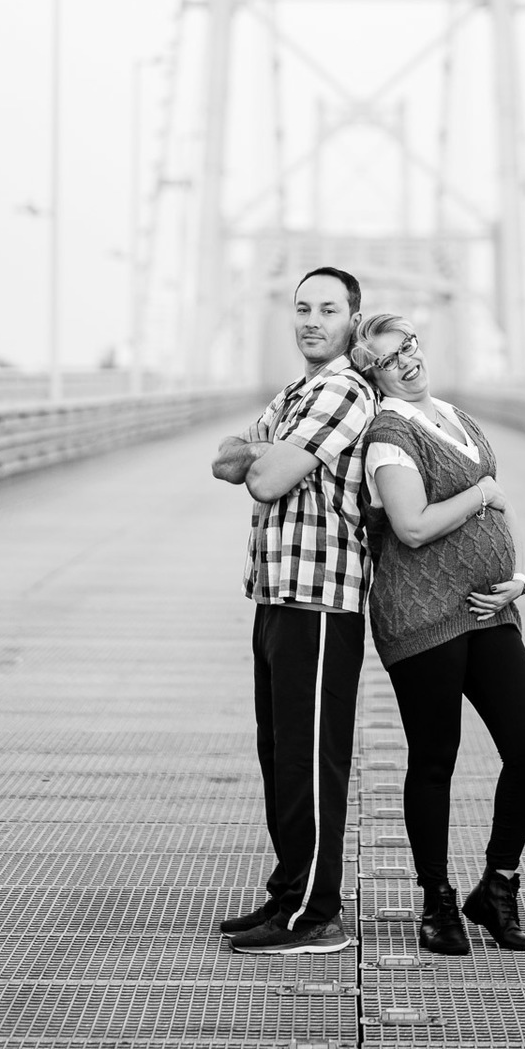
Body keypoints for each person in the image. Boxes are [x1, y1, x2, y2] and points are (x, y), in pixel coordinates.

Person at [351, 311, 525, 956]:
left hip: (489, 610)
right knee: (434, 759)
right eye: (389, 358)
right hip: (422, 615)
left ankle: (497, 887)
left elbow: (500, 509)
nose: (408, 361)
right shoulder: (388, 434)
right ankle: (437, 905)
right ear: (373, 375)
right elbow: (410, 526)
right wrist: (483, 491)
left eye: (409, 346)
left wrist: (518, 578)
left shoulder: (454, 414)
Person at [211, 266, 377, 954]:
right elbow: (227, 463)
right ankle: (289, 893)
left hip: (320, 598)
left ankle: (317, 914)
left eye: (328, 309)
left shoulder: (342, 389)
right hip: (276, 591)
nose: (312, 319)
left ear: (351, 319)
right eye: (303, 307)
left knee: (311, 760)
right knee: (280, 755)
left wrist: (266, 456)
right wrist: (262, 456)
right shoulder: (295, 392)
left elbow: (267, 476)